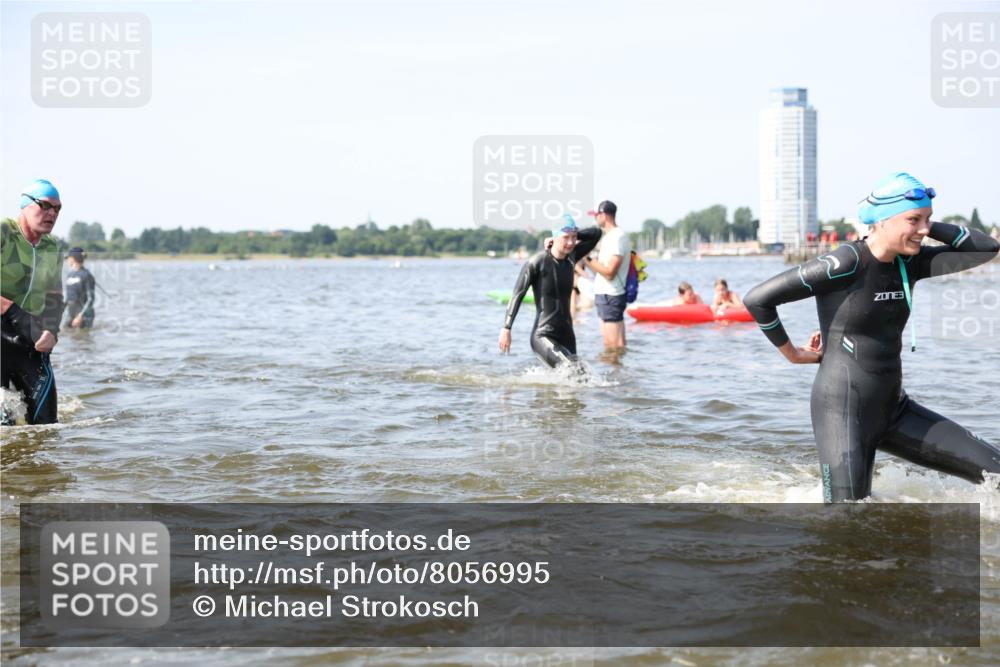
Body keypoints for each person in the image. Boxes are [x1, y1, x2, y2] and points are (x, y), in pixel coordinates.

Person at [744, 172, 1000, 503]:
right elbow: (758, 299)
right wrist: (792, 353)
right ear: (882, 221)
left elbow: (986, 248)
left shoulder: (912, 263)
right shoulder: (846, 262)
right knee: (847, 518)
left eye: (928, 219)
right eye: (913, 220)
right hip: (842, 412)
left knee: (996, 472)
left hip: (895, 409)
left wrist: (923, 222)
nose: (924, 229)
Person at [1, 179, 65, 425]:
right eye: (45, 205)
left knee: (47, 425)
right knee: (4, 425)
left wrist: (52, 330)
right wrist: (15, 313)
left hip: (30, 339)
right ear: (24, 205)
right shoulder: (4, 233)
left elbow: (55, 296)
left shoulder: (52, 247)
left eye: (57, 208)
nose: (52, 213)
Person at [498, 217, 601, 368]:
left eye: (574, 238)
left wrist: (573, 233)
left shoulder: (572, 257)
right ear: (554, 237)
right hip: (543, 335)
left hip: (567, 334)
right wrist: (506, 328)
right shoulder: (537, 262)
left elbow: (596, 233)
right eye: (566, 238)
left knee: (573, 381)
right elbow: (517, 295)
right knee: (574, 371)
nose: (571, 242)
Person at [583, 200, 630, 349]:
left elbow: (610, 273)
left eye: (596, 215)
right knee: (612, 345)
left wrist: (587, 257)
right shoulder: (609, 237)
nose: (595, 218)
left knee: (613, 346)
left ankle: (616, 371)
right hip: (606, 294)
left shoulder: (617, 237)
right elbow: (601, 271)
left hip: (611, 295)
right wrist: (591, 261)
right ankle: (617, 371)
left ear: (603, 215)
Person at [62, 247, 97, 330]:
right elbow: (68, 297)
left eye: (68, 258)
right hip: (71, 311)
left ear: (73, 258)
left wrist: (80, 316)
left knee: (84, 339)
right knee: (65, 331)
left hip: (84, 313)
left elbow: (91, 299)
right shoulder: (70, 275)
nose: (67, 261)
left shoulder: (87, 275)